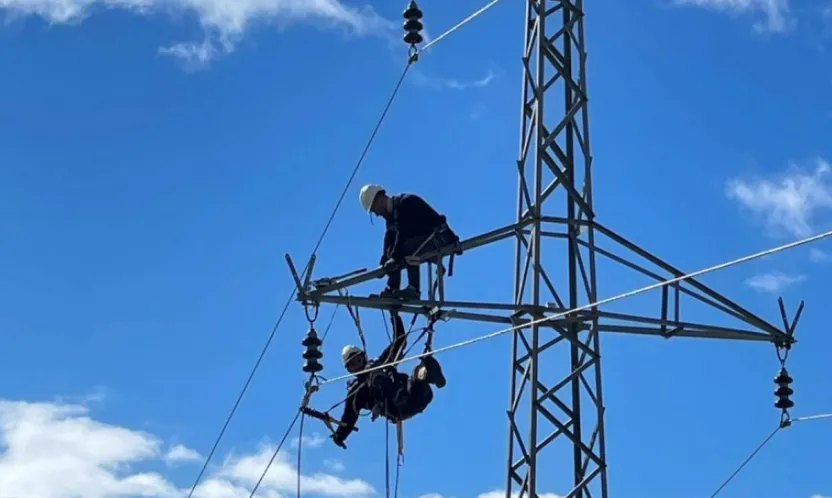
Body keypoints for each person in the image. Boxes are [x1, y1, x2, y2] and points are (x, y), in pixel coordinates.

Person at [330, 311, 446, 449]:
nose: (358, 364)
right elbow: (349, 416)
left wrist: (395, 316)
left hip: (414, 396)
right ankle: (421, 376)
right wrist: (340, 436)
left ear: (364, 356)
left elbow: (400, 341)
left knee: (413, 378)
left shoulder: (380, 363)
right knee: (374, 375)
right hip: (397, 408)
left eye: (359, 359)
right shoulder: (356, 391)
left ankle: (427, 374)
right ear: (349, 370)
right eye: (353, 364)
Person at [359, 184, 460, 300]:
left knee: (405, 248)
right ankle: (392, 289)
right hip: (423, 240)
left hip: (439, 238)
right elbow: (391, 241)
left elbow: (403, 233)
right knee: (395, 251)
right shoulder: (392, 217)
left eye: (374, 209)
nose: (377, 214)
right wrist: (384, 263)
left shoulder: (405, 203)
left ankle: (414, 289)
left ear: (380, 199)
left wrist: (395, 258)